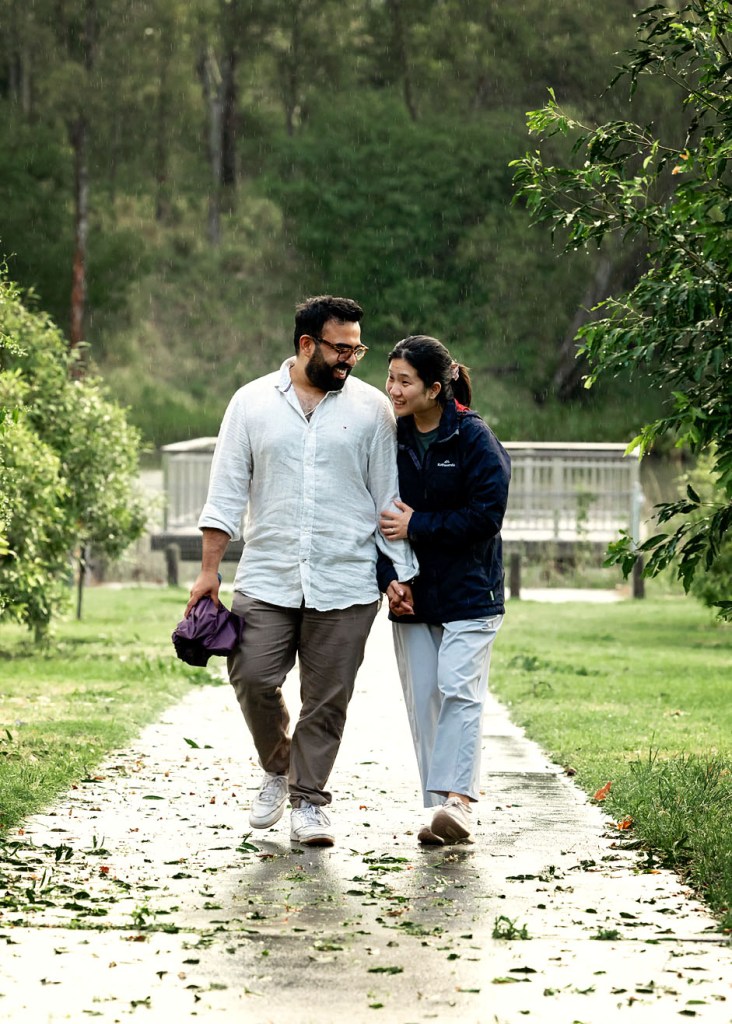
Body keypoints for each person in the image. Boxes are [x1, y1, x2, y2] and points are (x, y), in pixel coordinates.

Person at [185, 296, 418, 847]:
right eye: (340, 349)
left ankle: (309, 800)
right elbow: (225, 494)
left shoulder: (372, 410)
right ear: (306, 344)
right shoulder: (250, 403)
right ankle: (278, 767)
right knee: (252, 676)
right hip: (267, 574)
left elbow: (388, 499)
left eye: (356, 349)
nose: (349, 360)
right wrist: (209, 572)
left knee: (327, 699)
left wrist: (400, 572)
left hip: (347, 578)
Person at [377, 335, 510, 846]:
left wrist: (419, 525)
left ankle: (458, 802)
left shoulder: (473, 437)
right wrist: (387, 580)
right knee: (425, 699)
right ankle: (440, 810)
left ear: (435, 388)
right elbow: (373, 513)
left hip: (471, 592)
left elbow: (487, 515)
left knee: (459, 688)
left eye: (404, 381)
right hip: (412, 594)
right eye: (390, 379)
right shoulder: (391, 438)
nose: (393, 390)